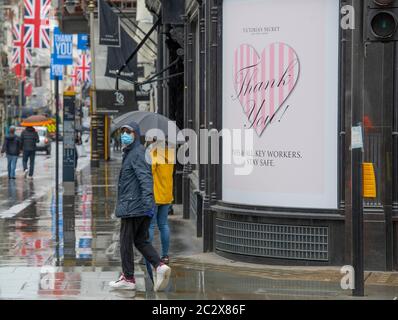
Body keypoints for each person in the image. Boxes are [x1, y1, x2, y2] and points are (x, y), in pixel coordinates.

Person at [109, 122, 171, 291]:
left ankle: (128, 278)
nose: (124, 135)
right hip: (138, 205)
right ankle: (159, 265)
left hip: (134, 206)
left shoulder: (137, 153)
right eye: (122, 132)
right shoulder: (133, 152)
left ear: (135, 134)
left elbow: (145, 179)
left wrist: (148, 204)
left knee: (125, 241)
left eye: (128, 132)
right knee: (141, 240)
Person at [147, 139, 175, 265]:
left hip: (155, 195)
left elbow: (149, 172)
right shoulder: (170, 154)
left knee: (151, 226)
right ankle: (165, 255)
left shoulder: (155, 153)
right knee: (163, 225)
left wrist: (148, 149)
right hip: (166, 195)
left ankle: (148, 255)